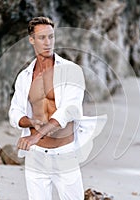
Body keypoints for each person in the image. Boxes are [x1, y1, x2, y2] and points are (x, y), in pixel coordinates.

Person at [9, 16, 85, 200]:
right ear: (31, 40)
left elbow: (69, 109)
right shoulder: (24, 76)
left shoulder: (71, 70)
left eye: (51, 37)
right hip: (36, 157)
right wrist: (30, 121)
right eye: (42, 37)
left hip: (64, 154)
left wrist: (37, 134)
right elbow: (15, 112)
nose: (48, 42)